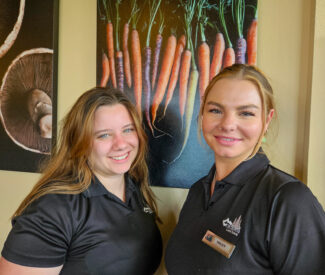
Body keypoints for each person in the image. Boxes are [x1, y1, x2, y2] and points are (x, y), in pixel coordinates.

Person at [165, 64, 325, 274]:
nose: (228, 124)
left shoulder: (288, 200)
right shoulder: (197, 191)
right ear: (202, 113)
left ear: (267, 120)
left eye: (246, 113)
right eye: (215, 110)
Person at [0, 87, 162, 274]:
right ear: (80, 141)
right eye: (104, 135)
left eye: (127, 130)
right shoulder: (53, 210)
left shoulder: (134, 187)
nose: (121, 144)